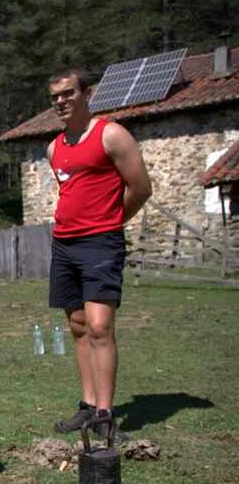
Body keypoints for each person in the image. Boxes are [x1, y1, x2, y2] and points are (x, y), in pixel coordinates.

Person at [46, 68, 152, 438]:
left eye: (68, 93)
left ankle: (105, 416)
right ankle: (88, 406)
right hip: (64, 244)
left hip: (100, 244)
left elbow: (140, 188)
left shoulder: (111, 134)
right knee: (78, 326)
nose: (61, 101)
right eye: (55, 97)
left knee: (99, 327)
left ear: (86, 94)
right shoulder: (54, 148)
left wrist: (110, 222)